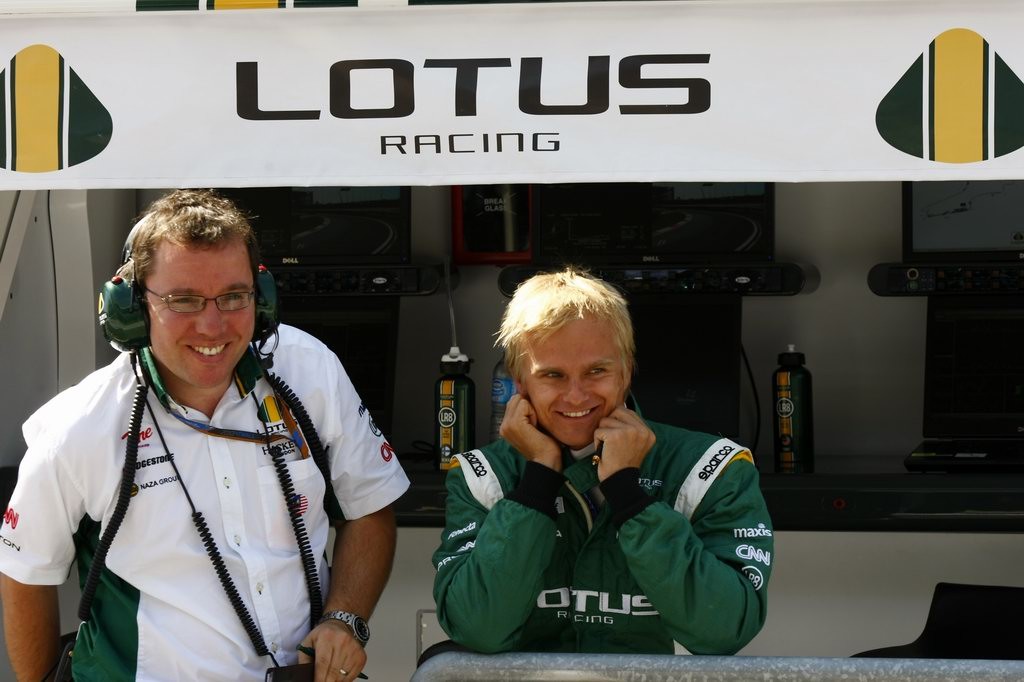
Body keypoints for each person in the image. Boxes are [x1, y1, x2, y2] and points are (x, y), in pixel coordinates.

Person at [0, 189, 409, 681]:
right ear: (131, 307)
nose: (212, 326)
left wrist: (345, 618)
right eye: (183, 300)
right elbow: (26, 573)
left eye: (234, 297)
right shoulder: (81, 425)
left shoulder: (310, 370)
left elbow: (370, 508)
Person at [432, 267, 773, 655]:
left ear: (627, 370)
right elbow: (477, 628)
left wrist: (629, 496)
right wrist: (538, 479)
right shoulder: (481, 475)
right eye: (553, 375)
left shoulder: (712, 467)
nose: (575, 396)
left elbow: (725, 630)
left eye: (596, 371)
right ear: (520, 381)